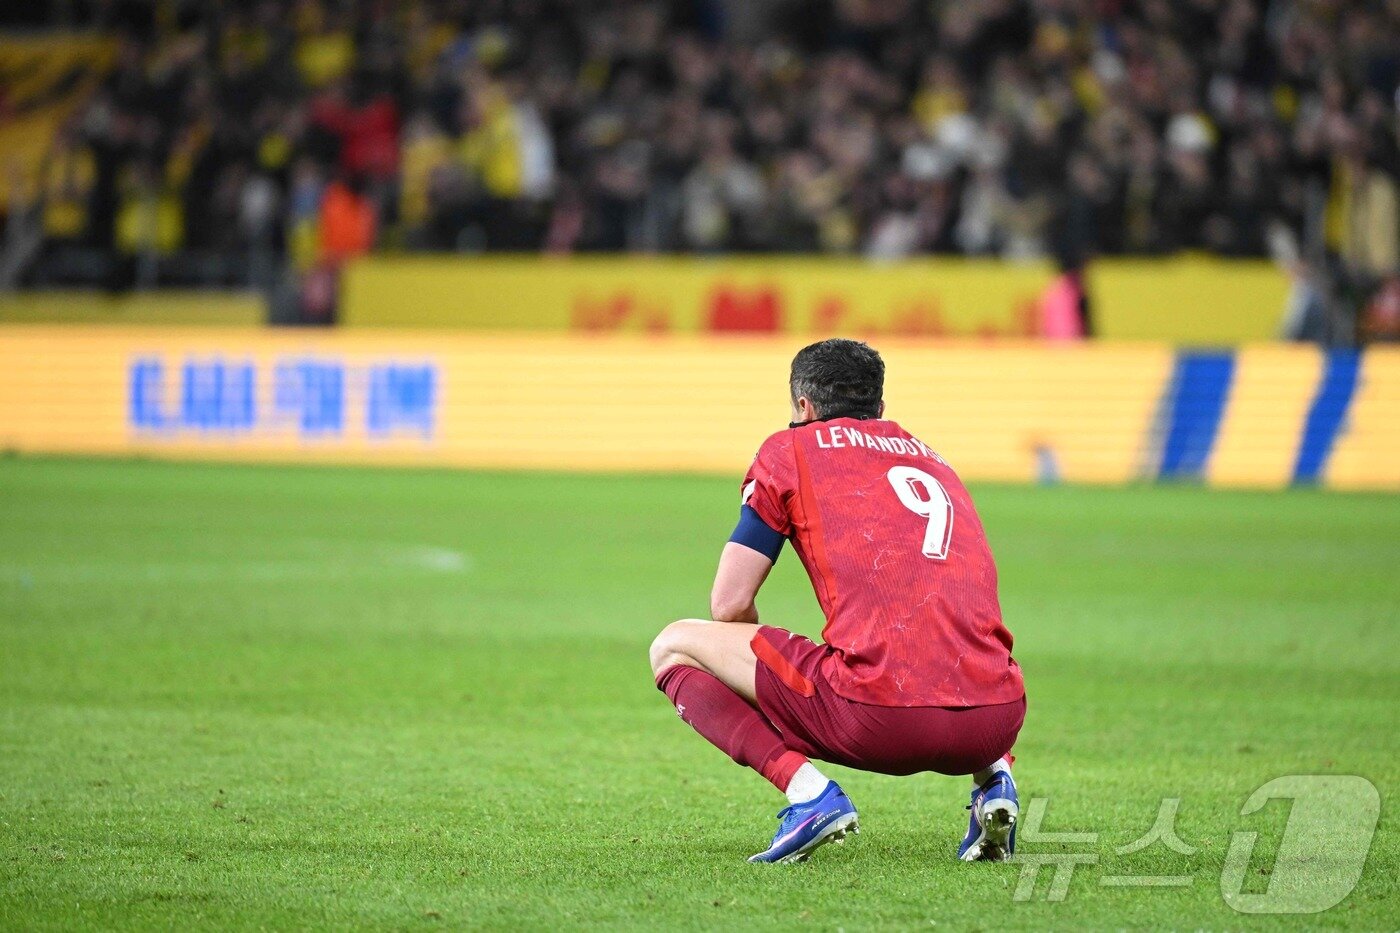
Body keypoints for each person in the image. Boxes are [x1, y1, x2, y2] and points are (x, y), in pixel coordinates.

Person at [649, 338, 1027, 864]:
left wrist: (765, 686)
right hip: (997, 720)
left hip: (881, 718)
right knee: (960, 639)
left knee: (674, 645)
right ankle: (996, 783)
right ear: (880, 408)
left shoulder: (789, 449)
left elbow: (729, 605)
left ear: (804, 407)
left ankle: (808, 795)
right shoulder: (936, 459)